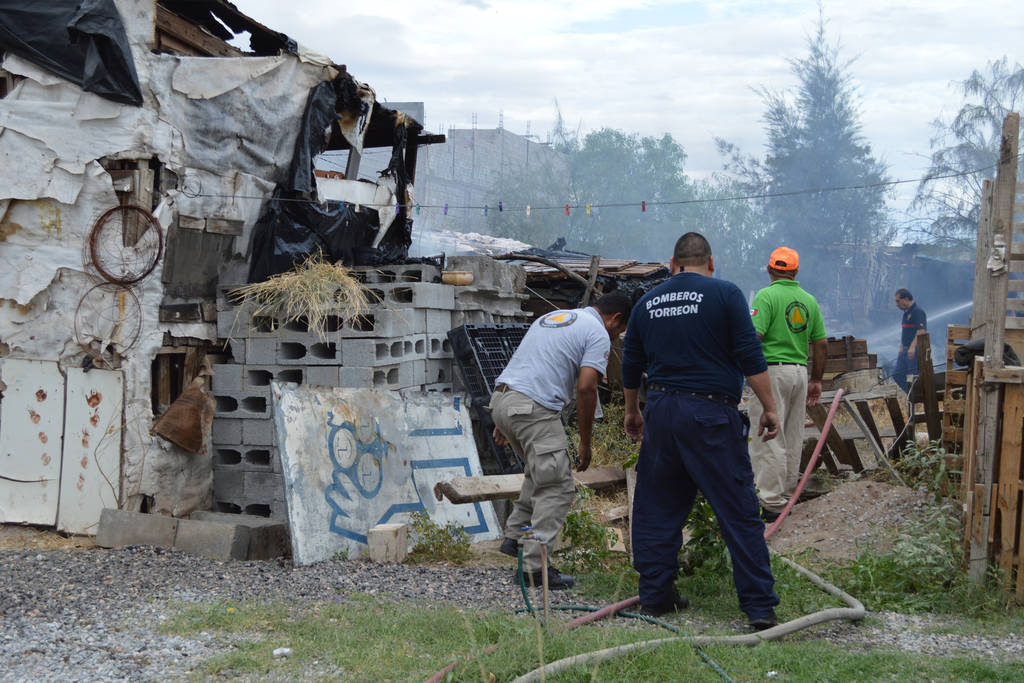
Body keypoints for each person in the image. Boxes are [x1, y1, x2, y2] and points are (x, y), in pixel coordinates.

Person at [621, 232, 781, 630]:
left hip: (661, 412)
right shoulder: (725, 294)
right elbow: (750, 354)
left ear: (671, 264)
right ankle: (759, 607)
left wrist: (632, 411)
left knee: (656, 506)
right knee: (738, 510)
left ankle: (656, 596)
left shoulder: (646, 302)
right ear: (711, 262)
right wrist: (770, 407)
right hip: (710, 414)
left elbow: (630, 363)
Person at [490, 292, 632, 589]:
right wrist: (585, 442)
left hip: (504, 398)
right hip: (533, 408)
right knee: (556, 486)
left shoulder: (554, 318)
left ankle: (516, 537)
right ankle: (533, 569)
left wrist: (505, 419)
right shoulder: (597, 332)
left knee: (540, 474)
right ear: (615, 319)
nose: (616, 337)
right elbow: (586, 388)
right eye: (620, 330)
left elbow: (525, 363)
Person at [748, 247, 827, 522]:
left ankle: (770, 502)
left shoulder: (766, 296)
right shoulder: (809, 300)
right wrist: (816, 380)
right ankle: (786, 496)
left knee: (767, 436)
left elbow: (754, 337)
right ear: (796, 272)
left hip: (771, 373)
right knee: (792, 435)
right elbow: (821, 344)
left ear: (770, 270)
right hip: (799, 373)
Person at [893, 288, 927, 393]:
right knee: (897, 374)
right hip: (905, 349)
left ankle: (915, 397)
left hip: (914, 350)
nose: (897, 304)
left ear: (906, 299)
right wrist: (901, 347)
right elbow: (905, 332)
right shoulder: (905, 313)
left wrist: (912, 347)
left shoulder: (918, 312)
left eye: (898, 301)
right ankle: (909, 394)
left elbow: (921, 331)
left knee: (912, 376)